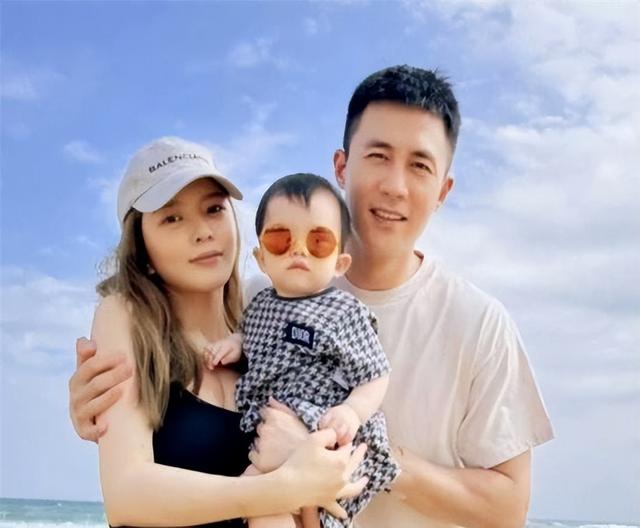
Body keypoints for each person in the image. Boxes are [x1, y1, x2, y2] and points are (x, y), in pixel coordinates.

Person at [69, 65, 554, 528]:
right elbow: (167, 410)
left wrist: (338, 449)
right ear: (341, 166)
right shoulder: (263, 299)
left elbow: (508, 510)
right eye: (378, 156)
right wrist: (99, 406)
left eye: (420, 165)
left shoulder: (479, 324)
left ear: (444, 189)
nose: (395, 186)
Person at [83, 136, 367, 527]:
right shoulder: (126, 316)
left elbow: (315, 499)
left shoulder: (264, 323)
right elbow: (126, 494)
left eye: (214, 209)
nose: (203, 232)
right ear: (141, 246)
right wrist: (281, 488)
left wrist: (309, 460)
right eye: (172, 218)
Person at [205, 173, 399, 528]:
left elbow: (375, 373)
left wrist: (352, 411)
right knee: (256, 497)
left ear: (339, 263)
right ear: (261, 258)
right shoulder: (259, 303)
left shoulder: (343, 312)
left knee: (274, 498)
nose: (299, 250)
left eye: (318, 242)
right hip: (270, 429)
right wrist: (234, 344)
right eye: (281, 239)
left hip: (320, 424)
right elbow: (249, 335)